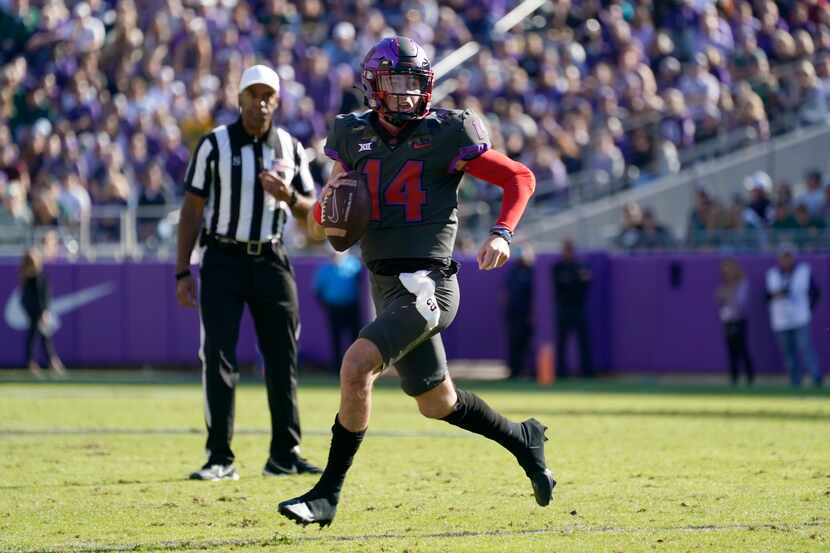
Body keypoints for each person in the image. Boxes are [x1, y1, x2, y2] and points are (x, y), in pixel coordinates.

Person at [278, 36, 553, 527]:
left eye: (413, 84)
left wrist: (502, 233)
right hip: (384, 284)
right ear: (373, 87)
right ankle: (524, 439)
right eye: (395, 84)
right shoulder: (352, 135)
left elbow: (519, 177)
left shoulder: (448, 132)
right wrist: (321, 211)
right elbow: (328, 210)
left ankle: (327, 494)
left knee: (356, 366)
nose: (406, 95)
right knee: (437, 402)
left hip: (429, 284)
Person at [175, 64, 321, 481]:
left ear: (277, 100)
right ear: (239, 99)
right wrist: (183, 270)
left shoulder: (291, 147)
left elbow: (314, 217)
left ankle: (284, 453)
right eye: (253, 94)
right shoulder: (215, 145)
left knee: (282, 357)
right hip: (222, 257)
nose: (260, 102)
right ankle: (219, 455)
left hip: (272, 259)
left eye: (268, 95)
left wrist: (288, 195)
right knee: (218, 355)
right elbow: (192, 208)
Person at [765, 244, 823, 388]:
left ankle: (816, 378)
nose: (786, 260)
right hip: (781, 320)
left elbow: (815, 293)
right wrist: (775, 295)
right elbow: (766, 297)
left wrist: (808, 309)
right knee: (788, 353)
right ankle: (795, 382)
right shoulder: (772, 274)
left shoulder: (803, 271)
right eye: (783, 257)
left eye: (788, 257)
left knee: (806, 348)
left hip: (800, 318)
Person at [313, 250, 363, 372]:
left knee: (355, 338)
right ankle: (337, 368)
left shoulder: (355, 265)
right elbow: (318, 291)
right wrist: (327, 305)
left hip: (351, 307)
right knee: (336, 339)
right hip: (334, 308)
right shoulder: (324, 270)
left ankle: (356, 367)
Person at [19, 248, 64, 378]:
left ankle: (51, 361)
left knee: (45, 337)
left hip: (40, 311)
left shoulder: (41, 277)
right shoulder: (26, 277)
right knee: (34, 336)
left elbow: (45, 296)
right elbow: (27, 297)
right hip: (32, 311)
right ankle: (32, 363)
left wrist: (44, 311)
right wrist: (34, 310)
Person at [551, 239, 593, 378]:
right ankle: (561, 372)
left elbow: (585, 284)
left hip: (578, 308)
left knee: (583, 340)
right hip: (563, 308)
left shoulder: (579, 266)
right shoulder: (558, 267)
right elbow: (561, 285)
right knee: (562, 341)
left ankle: (587, 371)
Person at [716, 259, 754, 385]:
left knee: (742, 349)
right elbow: (719, 298)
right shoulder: (724, 284)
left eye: (729, 269)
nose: (727, 273)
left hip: (739, 319)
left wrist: (728, 296)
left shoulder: (742, 283)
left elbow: (741, 303)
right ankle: (734, 378)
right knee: (731, 350)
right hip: (728, 320)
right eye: (725, 270)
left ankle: (750, 377)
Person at [503, 244, 535, 379]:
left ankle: (526, 370)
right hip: (514, 313)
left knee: (526, 343)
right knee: (514, 342)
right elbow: (507, 293)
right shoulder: (514, 271)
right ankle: (514, 370)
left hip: (527, 314)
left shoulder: (532, 272)